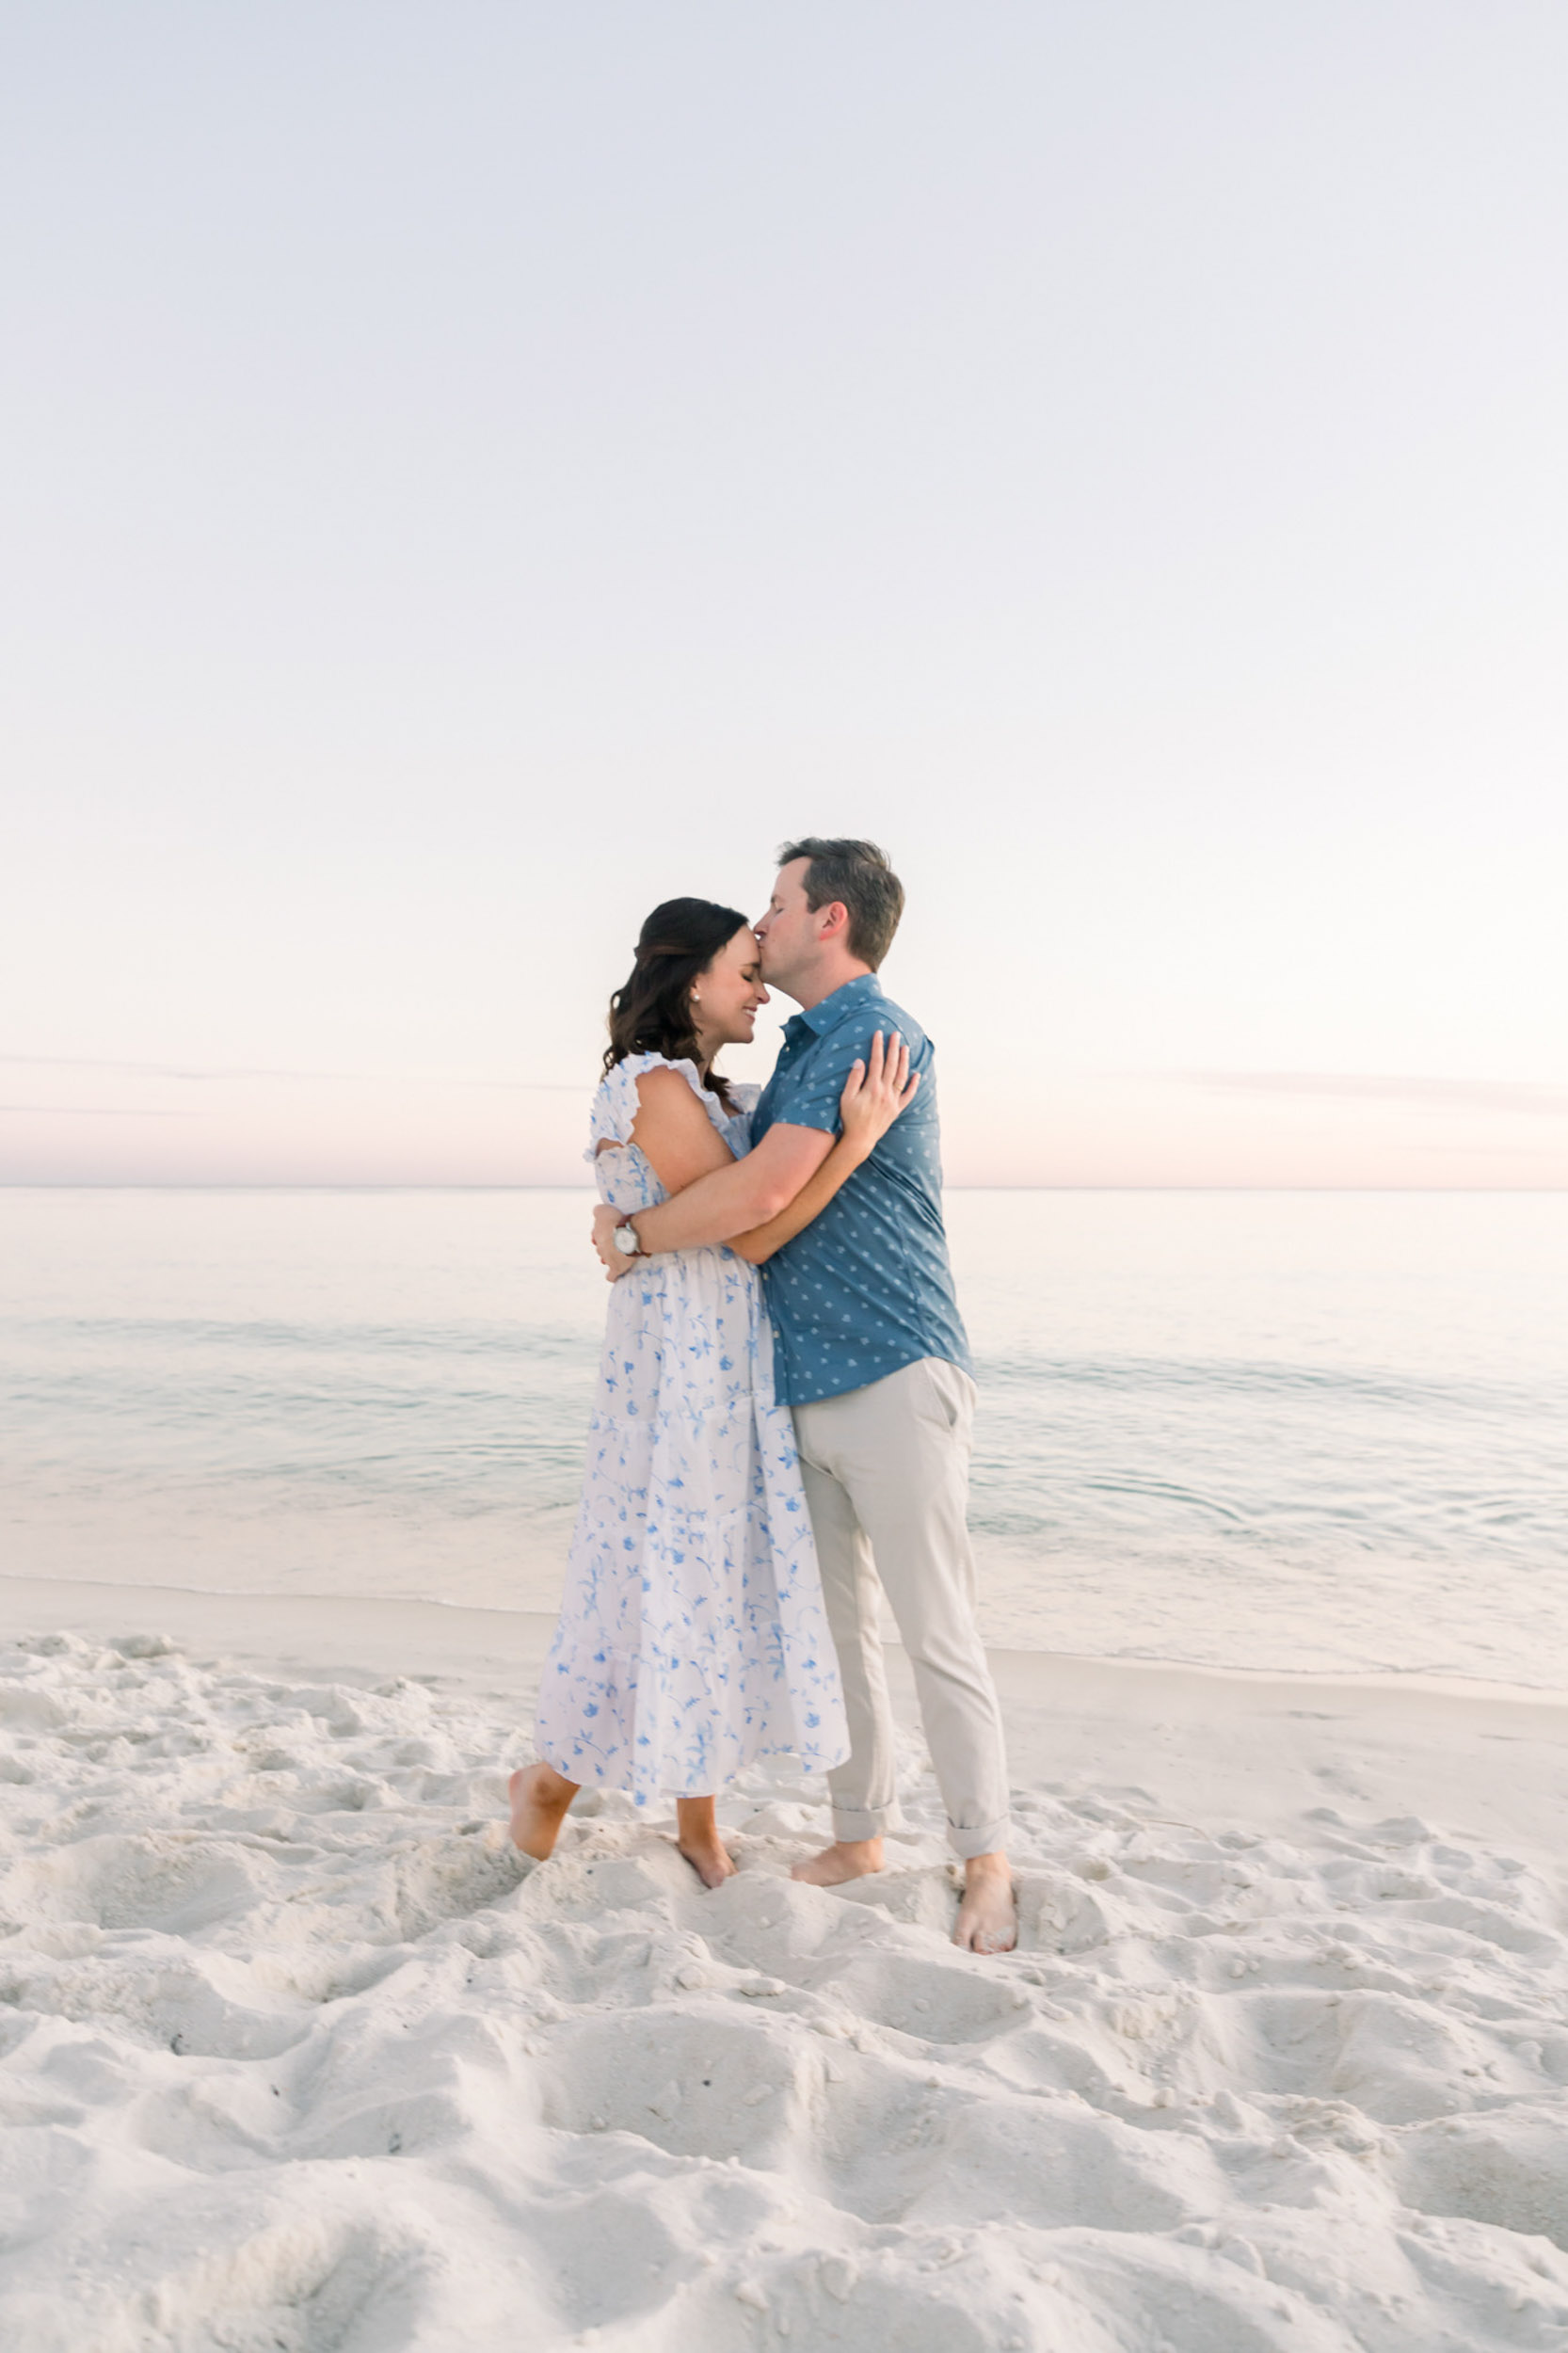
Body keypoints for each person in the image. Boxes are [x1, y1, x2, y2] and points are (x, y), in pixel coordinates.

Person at [593, 842, 1015, 1955]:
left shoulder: (869, 1034)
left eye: (776, 905)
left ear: (828, 919)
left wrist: (631, 1236)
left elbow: (764, 1206)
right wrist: (639, 1226)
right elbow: (749, 1204)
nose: (761, 924)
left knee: (936, 1629)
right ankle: (861, 1834)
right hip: (804, 1380)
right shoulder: (797, 1050)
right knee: (843, 1636)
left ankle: (987, 1860)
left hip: (891, 1365)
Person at [510, 896, 919, 1888]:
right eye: (744, 969)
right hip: (677, 1376)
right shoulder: (652, 1086)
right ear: (692, 979)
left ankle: (696, 1819)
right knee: (653, 1585)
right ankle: (549, 1782)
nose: (759, 991)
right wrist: (856, 1143)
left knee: (709, 1582)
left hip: (726, 1368)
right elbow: (750, 1232)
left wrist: (628, 1230)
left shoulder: (706, 1090)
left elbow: (697, 1218)